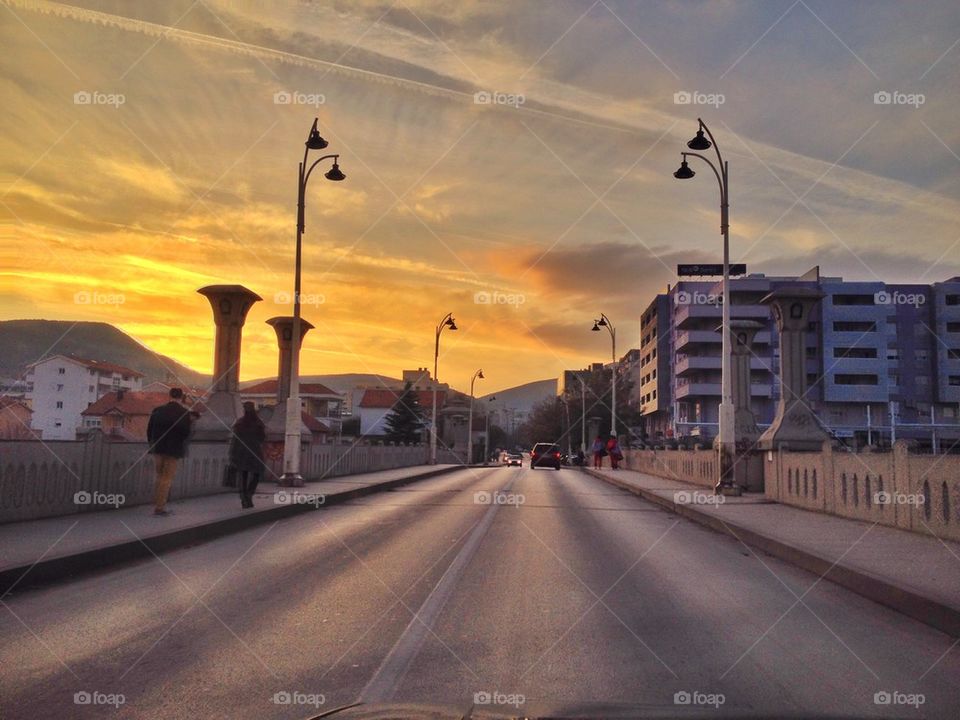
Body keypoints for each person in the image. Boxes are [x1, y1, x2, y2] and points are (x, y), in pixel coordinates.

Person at [146, 388, 194, 516]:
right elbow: (186, 433)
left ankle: (157, 503)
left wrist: (152, 443)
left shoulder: (157, 411)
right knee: (167, 478)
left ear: (170, 396)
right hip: (173, 450)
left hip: (158, 448)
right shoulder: (184, 413)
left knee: (159, 476)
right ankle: (160, 507)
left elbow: (149, 430)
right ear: (181, 397)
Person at [229, 402, 266, 509]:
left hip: (241, 451)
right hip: (254, 451)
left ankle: (244, 497)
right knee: (257, 473)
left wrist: (232, 454)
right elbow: (262, 438)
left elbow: (235, 439)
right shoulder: (258, 423)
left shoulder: (239, 423)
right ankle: (249, 494)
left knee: (243, 475)